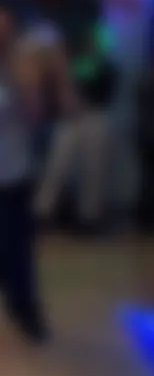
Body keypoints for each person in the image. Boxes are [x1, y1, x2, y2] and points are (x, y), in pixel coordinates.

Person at [32, 24, 116, 226]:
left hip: (96, 117)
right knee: (56, 164)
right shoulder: (76, 63)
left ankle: (89, 215)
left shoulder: (109, 67)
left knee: (94, 168)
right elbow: (62, 85)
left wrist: (82, 99)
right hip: (70, 117)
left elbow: (105, 93)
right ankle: (43, 211)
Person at [0, 1, 46, 341]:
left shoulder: (21, 67)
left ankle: (26, 312)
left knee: (18, 249)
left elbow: (35, 114)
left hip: (15, 175)